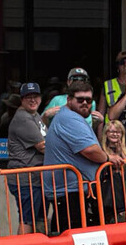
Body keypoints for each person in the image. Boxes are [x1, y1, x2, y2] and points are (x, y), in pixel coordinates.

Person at [43, 78, 108, 232]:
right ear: (69, 99)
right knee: (73, 241)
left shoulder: (74, 117)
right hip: (69, 192)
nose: (85, 103)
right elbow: (90, 150)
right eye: (80, 99)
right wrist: (108, 158)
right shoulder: (68, 118)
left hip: (75, 190)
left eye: (88, 99)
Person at [7, 82, 48, 234]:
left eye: (35, 96)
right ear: (22, 100)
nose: (32, 100)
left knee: (38, 219)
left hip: (36, 177)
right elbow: (43, 146)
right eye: (28, 97)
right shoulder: (23, 118)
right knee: (27, 220)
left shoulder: (35, 115)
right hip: (25, 178)